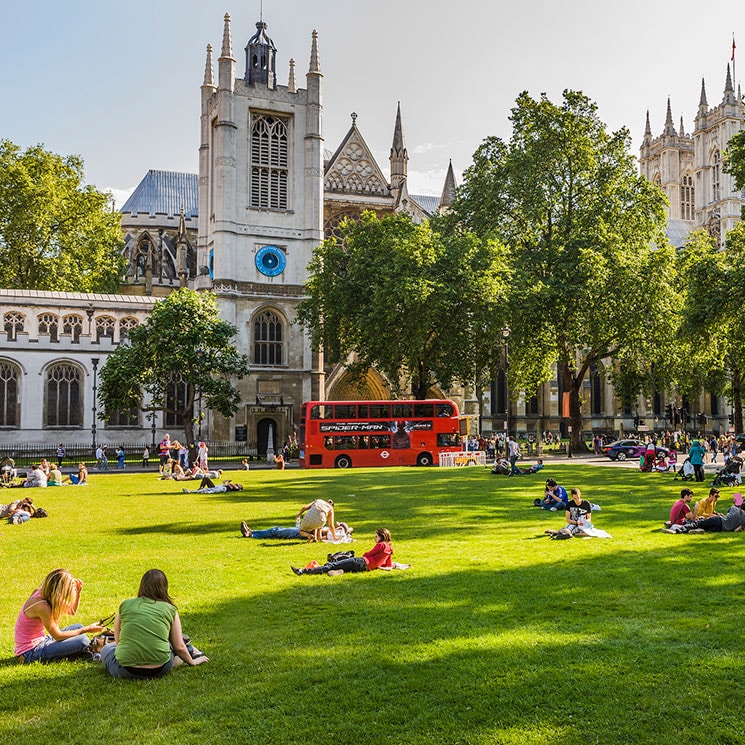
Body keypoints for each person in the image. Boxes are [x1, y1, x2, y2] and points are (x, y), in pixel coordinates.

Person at [100, 568, 208, 679]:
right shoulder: (170, 609)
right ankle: (183, 654)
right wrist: (192, 662)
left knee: (106, 649)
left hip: (125, 670)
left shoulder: (125, 605)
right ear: (164, 587)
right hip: (160, 669)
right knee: (170, 646)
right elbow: (179, 646)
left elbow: (119, 643)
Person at [14, 569, 105, 663]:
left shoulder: (45, 593)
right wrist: (87, 629)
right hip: (30, 652)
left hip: (42, 640)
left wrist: (78, 593)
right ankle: (79, 652)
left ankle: (78, 652)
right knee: (83, 640)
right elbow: (57, 636)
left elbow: (71, 611)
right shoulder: (42, 606)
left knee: (78, 627)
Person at [292, 528, 393, 576]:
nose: (375, 539)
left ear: (382, 536)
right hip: (364, 569)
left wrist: (368, 556)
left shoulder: (381, 545)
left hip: (361, 562)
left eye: (376, 536)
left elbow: (367, 554)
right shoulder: (389, 549)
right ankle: (339, 572)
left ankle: (303, 571)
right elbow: (389, 564)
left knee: (332, 565)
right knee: (341, 565)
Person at [663, 495, 745, 534]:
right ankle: (691, 531)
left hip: (719, 521)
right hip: (722, 528)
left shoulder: (734, 508)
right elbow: (736, 530)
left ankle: (677, 530)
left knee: (698, 523)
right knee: (704, 527)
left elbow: (731, 513)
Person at [240, 520, 351, 541]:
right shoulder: (332, 532)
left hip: (301, 533)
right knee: (276, 531)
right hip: (302, 530)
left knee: (276, 531)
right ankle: (252, 532)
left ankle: (251, 534)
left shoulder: (329, 532)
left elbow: (319, 537)